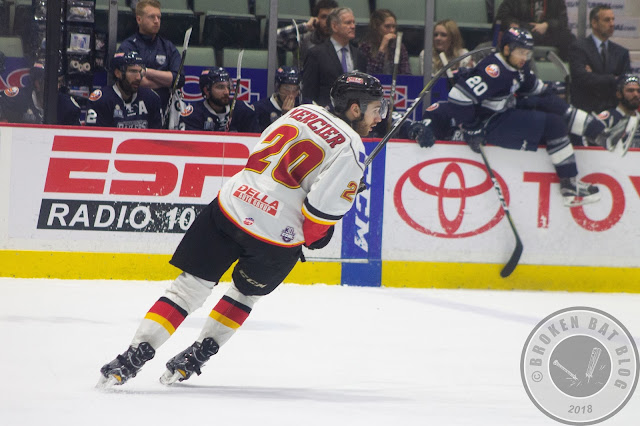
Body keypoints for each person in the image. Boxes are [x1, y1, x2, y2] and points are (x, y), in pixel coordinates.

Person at [97, 71, 387, 387]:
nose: (379, 118)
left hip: (230, 207)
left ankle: (134, 354)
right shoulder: (352, 148)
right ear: (355, 109)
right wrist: (329, 220)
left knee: (188, 288)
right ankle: (198, 355)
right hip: (274, 238)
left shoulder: (302, 111)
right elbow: (317, 222)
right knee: (245, 294)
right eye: (376, 110)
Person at [447, 27, 599, 207]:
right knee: (554, 125)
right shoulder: (493, 70)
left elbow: (538, 90)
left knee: (549, 106)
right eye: (520, 52)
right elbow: (457, 97)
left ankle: (594, 130)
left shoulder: (518, 67)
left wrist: (554, 97)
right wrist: (471, 127)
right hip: (491, 123)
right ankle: (570, 184)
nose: (524, 58)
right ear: (506, 49)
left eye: (527, 53)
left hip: (504, 113)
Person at [118, 0, 182, 115]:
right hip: (134, 111)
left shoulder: (168, 47)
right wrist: (166, 82)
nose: (156, 21)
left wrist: (146, 71)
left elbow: (179, 79)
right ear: (139, 19)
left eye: (159, 17)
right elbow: (131, 80)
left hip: (164, 109)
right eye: (152, 17)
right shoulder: (128, 46)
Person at [568, 4, 630, 113]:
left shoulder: (621, 53)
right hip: (586, 110)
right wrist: (613, 78)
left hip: (613, 111)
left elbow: (624, 84)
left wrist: (593, 74)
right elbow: (582, 79)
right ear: (594, 23)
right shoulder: (579, 48)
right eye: (607, 20)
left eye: (613, 19)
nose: (612, 24)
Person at [302, 7, 367, 107]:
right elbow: (308, 92)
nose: (353, 26)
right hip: (325, 112)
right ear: (334, 26)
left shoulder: (360, 55)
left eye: (354, 22)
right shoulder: (316, 54)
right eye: (348, 23)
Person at [85, 51, 163, 129]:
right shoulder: (101, 100)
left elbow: (157, 134)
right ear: (118, 73)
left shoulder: (151, 98)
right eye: (133, 71)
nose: (138, 77)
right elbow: (93, 134)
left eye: (140, 72)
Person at [179, 67, 260, 133]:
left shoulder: (243, 111)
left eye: (228, 87)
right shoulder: (194, 114)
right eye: (220, 87)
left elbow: (256, 142)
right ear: (206, 90)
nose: (226, 92)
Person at [0, 61, 81, 126]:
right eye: (52, 82)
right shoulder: (16, 99)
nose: (57, 87)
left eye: (59, 82)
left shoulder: (67, 105)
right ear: (37, 83)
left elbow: (76, 137)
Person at [576, 74, 640, 153]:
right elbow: (586, 140)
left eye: (638, 91)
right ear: (619, 94)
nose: (636, 94)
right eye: (630, 91)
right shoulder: (607, 118)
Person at [495, 0, 574, 61]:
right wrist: (515, 24)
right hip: (524, 32)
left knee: (568, 38)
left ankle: (564, 73)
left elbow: (563, 20)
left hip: (547, 33)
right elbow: (501, 17)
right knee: (517, 36)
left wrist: (547, 25)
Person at [276, 0, 338, 68]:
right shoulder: (304, 38)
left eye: (331, 17)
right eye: (324, 17)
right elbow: (275, 37)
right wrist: (305, 27)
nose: (327, 22)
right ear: (315, 19)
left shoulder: (342, 39)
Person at [254, 66, 310, 132]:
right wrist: (285, 116)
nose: (291, 94)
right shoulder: (261, 108)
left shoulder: (306, 106)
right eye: (286, 89)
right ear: (277, 88)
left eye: (295, 89)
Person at [358, 9, 411, 75]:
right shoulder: (365, 47)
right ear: (376, 27)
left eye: (394, 26)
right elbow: (371, 74)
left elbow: (406, 73)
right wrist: (382, 49)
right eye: (387, 26)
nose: (392, 30)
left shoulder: (398, 46)